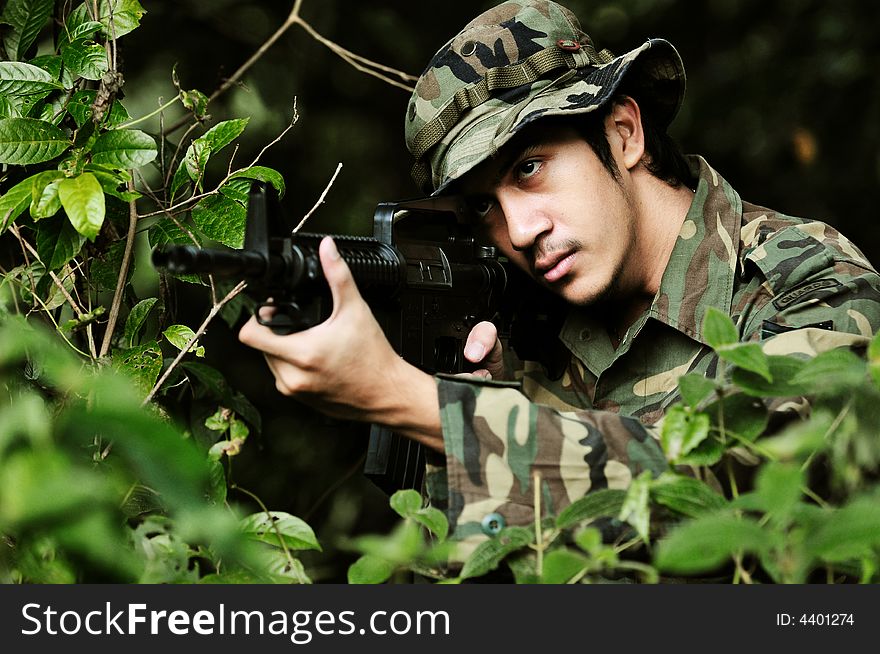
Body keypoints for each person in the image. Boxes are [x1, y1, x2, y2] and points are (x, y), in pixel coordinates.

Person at [239, 0, 880, 556]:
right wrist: (463, 412)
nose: (518, 230)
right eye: (484, 205)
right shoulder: (528, 337)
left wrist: (409, 401)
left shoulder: (807, 278)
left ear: (623, 134)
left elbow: (729, 487)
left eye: (529, 168)